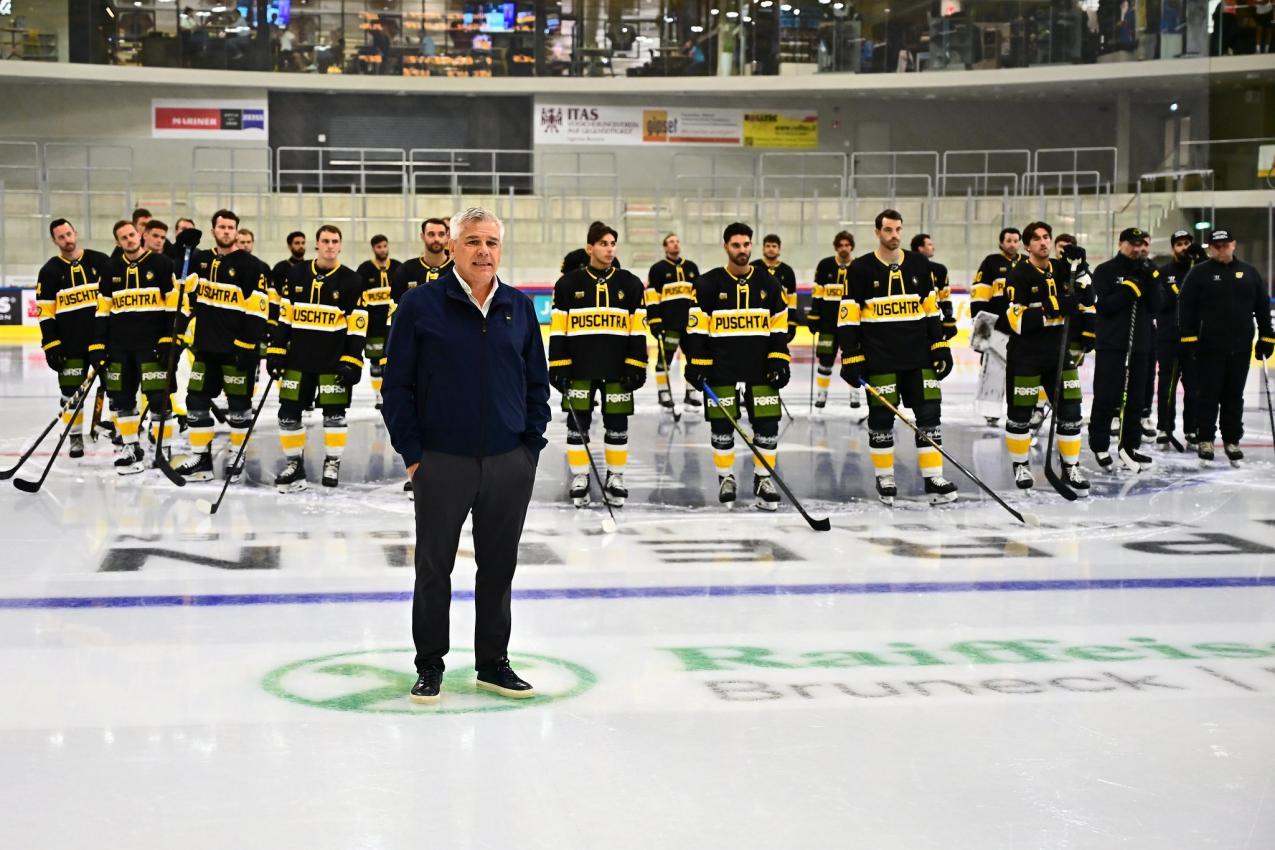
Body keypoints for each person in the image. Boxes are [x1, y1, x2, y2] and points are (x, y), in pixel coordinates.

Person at [381, 207, 550, 705]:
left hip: (507, 462)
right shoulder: (420, 305)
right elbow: (397, 388)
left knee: (498, 569)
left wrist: (529, 449)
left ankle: (493, 664)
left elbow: (537, 383)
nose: (483, 251)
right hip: (441, 462)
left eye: (492, 242)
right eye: (473, 241)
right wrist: (415, 457)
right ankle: (430, 665)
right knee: (434, 569)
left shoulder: (518, 308)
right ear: (451, 247)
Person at [837, 209, 957, 506]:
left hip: (919, 359)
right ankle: (885, 477)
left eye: (898, 230)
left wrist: (939, 345)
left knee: (930, 415)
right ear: (877, 232)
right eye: (888, 230)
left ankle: (933, 476)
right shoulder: (860, 269)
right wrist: (851, 356)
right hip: (881, 360)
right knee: (881, 419)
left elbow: (931, 310)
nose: (894, 235)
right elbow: (848, 318)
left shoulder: (918, 263)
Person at [683, 222, 789, 510]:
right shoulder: (707, 284)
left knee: (767, 425)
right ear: (726, 247)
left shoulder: (769, 283)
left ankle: (763, 479)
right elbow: (696, 330)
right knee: (722, 426)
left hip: (760, 369)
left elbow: (780, 329)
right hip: (721, 368)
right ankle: (726, 477)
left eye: (746, 245)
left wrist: (779, 359)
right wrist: (697, 363)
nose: (742, 251)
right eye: (736, 245)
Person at [547, 222, 647, 508]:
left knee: (617, 423)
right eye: (603, 243)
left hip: (618, 368)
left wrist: (636, 364)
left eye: (613, 243)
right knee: (577, 424)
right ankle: (580, 476)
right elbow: (558, 330)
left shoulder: (630, 283)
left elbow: (637, 330)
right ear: (589, 248)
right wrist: (559, 365)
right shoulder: (568, 285)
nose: (609, 249)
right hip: (579, 367)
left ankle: (615, 476)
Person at [266, 225, 366, 491]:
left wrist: (352, 360)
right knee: (288, 415)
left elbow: (358, 326)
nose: (330, 246)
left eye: (335, 241)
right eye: (325, 241)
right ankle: (294, 465)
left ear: (340, 245)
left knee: (334, 416)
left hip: (332, 361)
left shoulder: (352, 280)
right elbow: (285, 316)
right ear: (317, 244)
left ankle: (332, 461)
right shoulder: (296, 273)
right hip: (297, 361)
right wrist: (276, 350)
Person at [172, 209, 269, 481]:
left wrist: (245, 344)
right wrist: (180, 250)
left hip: (237, 351)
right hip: (205, 348)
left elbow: (258, 311)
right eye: (221, 227)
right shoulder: (200, 260)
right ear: (213, 230)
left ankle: (237, 454)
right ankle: (201, 459)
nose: (226, 231)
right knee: (196, 400)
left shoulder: (252, 266)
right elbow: (183, 288)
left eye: (231, 227)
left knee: (239, 406)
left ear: (237, 232)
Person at [998, 222, 1089, 493]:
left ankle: (1070, 465)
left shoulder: (1063, 269)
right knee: (1020, 414)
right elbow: (1017, 322)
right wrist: (1056, 307)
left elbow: (1089, 296)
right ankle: (1021, 464)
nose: (1043, 242)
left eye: (1047, 237)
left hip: (1059, 354)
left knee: (1071, 411)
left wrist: (1081, 269)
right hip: (1026, 355)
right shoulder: (1019, 275)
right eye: (1036, 239)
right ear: (1027, 245)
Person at [1178, 228, 1273, 465]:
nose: (1221, 249)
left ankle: (1232, 440)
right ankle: (1206, 439)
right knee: (1208, 395)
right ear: (1210, 248)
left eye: (1225, 245)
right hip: (1208, 346)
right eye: (1216, 246)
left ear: (1234, 244)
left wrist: (1267, 337)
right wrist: (1188, 338)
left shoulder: (1249, 273)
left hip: (1240, 346)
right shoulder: (1199, 273)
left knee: (1234, 395)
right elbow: (1186, 307)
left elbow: (1262, 307)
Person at [91, 220, 178, 474]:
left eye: (132, 235)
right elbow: (103, 308)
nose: (129, 240)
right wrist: (98, 342)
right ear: (118, 242)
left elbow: (173, 305)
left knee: (160, 399)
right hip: (120, 347)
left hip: (151, 346)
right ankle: (131, 448)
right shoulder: (110, 269)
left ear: (139, 235)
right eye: (123, 238)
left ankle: (163, 448)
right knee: (123, 400)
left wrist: (167, 338)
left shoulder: (162, 264)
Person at [36, 219, 111, 461]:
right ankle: (75, 435)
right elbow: (46, 313)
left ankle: (121, 432)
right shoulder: (49, 272)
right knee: (70, 393)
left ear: (75, 232)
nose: (67, 240)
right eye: (61, 237)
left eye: (69, 234)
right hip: (71, 346)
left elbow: (115, 300)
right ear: (54, 241)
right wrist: (51, 344)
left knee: (118, 389)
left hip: (102, 343)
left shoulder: (100, 261)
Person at [1088, 227, 1162, 472]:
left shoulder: (1150, 270)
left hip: (1140, 344)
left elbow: (1157, 306)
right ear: (1121, 244)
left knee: (1135, 399)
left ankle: (1129, 446)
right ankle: (1100, 444)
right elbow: (1104, 306)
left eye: (1144, 244)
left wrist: (1149, 281)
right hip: (1112, 345)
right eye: (1134, 244)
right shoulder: (1106, 270)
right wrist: (1127, 291)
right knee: (1107, 396)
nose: (1139, 249)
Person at [969, 227, 1022, 427]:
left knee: (1022, 372)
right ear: (1001, 243)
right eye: (1008, 240)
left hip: (1021, 329)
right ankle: (990, 412)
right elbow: (980, 294)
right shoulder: (991, 262)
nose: (1012, 244)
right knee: (994, 370)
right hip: (998, 328)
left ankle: (1021, 410)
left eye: (1016, 240)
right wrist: (980, 327)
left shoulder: (1027, 262)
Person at [1153, 229, 1201, 446]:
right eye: (1179, 244)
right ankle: (1164, 427)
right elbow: (1160, 304)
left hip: (1194, 340)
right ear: (1173, 248)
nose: (1184, 248)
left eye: (1187, 243)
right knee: (1166, 387)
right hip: (1168, 338)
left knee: (1194, 387)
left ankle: (1192, 429)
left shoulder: (1201, 271)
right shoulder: (1164, 272)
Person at [645, 232, 700, 414]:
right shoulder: (658, 269)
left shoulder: (691, 267)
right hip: (669, 325)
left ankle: (691, 393)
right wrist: (655, 321)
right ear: (665, 247)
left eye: (677, 241)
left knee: (694, 359)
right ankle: (663, 393)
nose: (675, 244)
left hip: (690, 325)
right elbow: (652, 298)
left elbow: (698, 296)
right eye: (671, 242)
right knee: (664, 361)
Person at [810, 231, 858, 415]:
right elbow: (818, 293)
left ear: (851, 246)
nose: (844, 248)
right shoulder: (825, 265)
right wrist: (814, 315)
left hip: (850, 325)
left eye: (847, 245)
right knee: (825, 360)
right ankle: (821, 395)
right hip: (827, 325)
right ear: (836, 247)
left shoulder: (859, 266)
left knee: (852, 359)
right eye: (841, 245)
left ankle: (854, 395)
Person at [356, 234, 400, 408]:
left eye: (384, 246)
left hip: (393, 326)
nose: (382, 249)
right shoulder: (364, 269)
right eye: (378, 247)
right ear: (373, 249)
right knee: (375, 364)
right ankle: (378, 397)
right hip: (373, 327)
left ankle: (390, 394)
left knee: (391, 361)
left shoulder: (398, 268)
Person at [392, 218, 453, 306]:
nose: (436, 239)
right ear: (422, 236)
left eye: (441, 234)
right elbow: (397, 305)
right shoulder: (406, 270)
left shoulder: (458, 269)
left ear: (447, 237)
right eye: (431, 234)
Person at [752, 233, 798, 345]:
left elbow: (791, 299)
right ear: (763, 248)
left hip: (779, 321)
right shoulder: (753, 267)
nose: (771, 249)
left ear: (779, 249)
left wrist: (791, 323)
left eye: (774, 246)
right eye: (768, 246)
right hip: (757, 321)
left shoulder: (787, 271)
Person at [910, 233, 958, 341]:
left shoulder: (939, 270)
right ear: (920, 248)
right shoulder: (906, 269)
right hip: (912, 323)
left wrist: (948, 319)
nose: (933, 247)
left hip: (933, 322)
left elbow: (945, 298)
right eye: (930, 244)